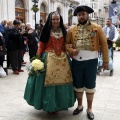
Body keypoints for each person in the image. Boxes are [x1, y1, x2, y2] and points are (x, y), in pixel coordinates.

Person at [24, 11, 75, 113]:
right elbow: (41, 45)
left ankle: (60, 104)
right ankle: (49, 104)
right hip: (48, 58)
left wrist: (72, 52)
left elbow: (67, 45)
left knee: (63, 81)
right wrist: (38, 58)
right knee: (46, 82)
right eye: (54, 19)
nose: (56, 21)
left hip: (63, 60)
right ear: (50, 20)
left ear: (60, 20)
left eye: (57, 19)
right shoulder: (46, 30)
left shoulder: (64, 31)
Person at [65, 5, 109, 120]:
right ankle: (79, 106)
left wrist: (105, 61)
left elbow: (104, 44)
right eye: (79, 15)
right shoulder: (71, 30)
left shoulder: (97, 27)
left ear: (87, 14)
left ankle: (89, 109)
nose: (81, 16)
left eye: (83, 14)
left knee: (90, 85)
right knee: (78, 85)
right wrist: (70, 50)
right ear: (77, 17)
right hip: (76, 62)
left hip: (91, 61)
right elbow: (66, 44)